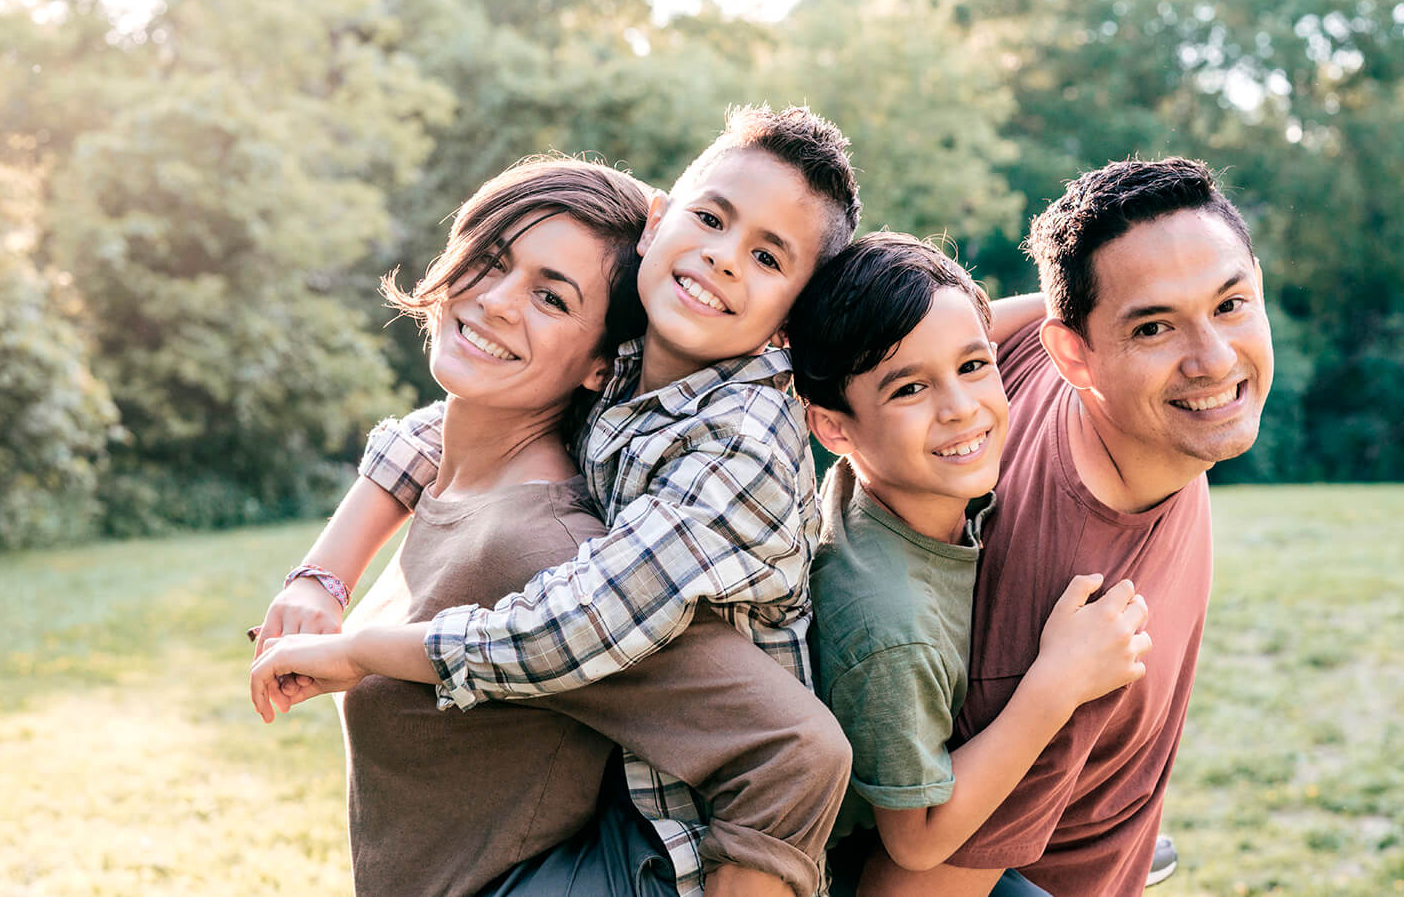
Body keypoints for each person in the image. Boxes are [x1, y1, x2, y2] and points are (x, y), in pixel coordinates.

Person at [252, 104, 864, 897]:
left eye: (552, 298)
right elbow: (443, 430)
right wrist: (323, 576)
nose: (720, 259)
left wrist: (359, 651)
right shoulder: (634, 391)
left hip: (669, 855)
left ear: (789, 323)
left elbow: (789, 745)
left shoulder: (713, 457)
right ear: (659, 223)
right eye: (709, 218)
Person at [872, 158, 1274, 895]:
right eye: (1154, 327)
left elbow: (927, 333)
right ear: (1077, 355)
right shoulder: (1068, 623)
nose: (1214, 362)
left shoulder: (1004, 358)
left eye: (1229, 304)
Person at [782, 232, 1153, 896]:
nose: (959, 409)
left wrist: (1110, 302)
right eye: (910, 389)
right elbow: (915, 841)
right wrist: (1058, 683)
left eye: (975, 367)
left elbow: (967, 322)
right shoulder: (890, 622)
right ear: (835, 428)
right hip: (851, 871)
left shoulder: (891, 483)